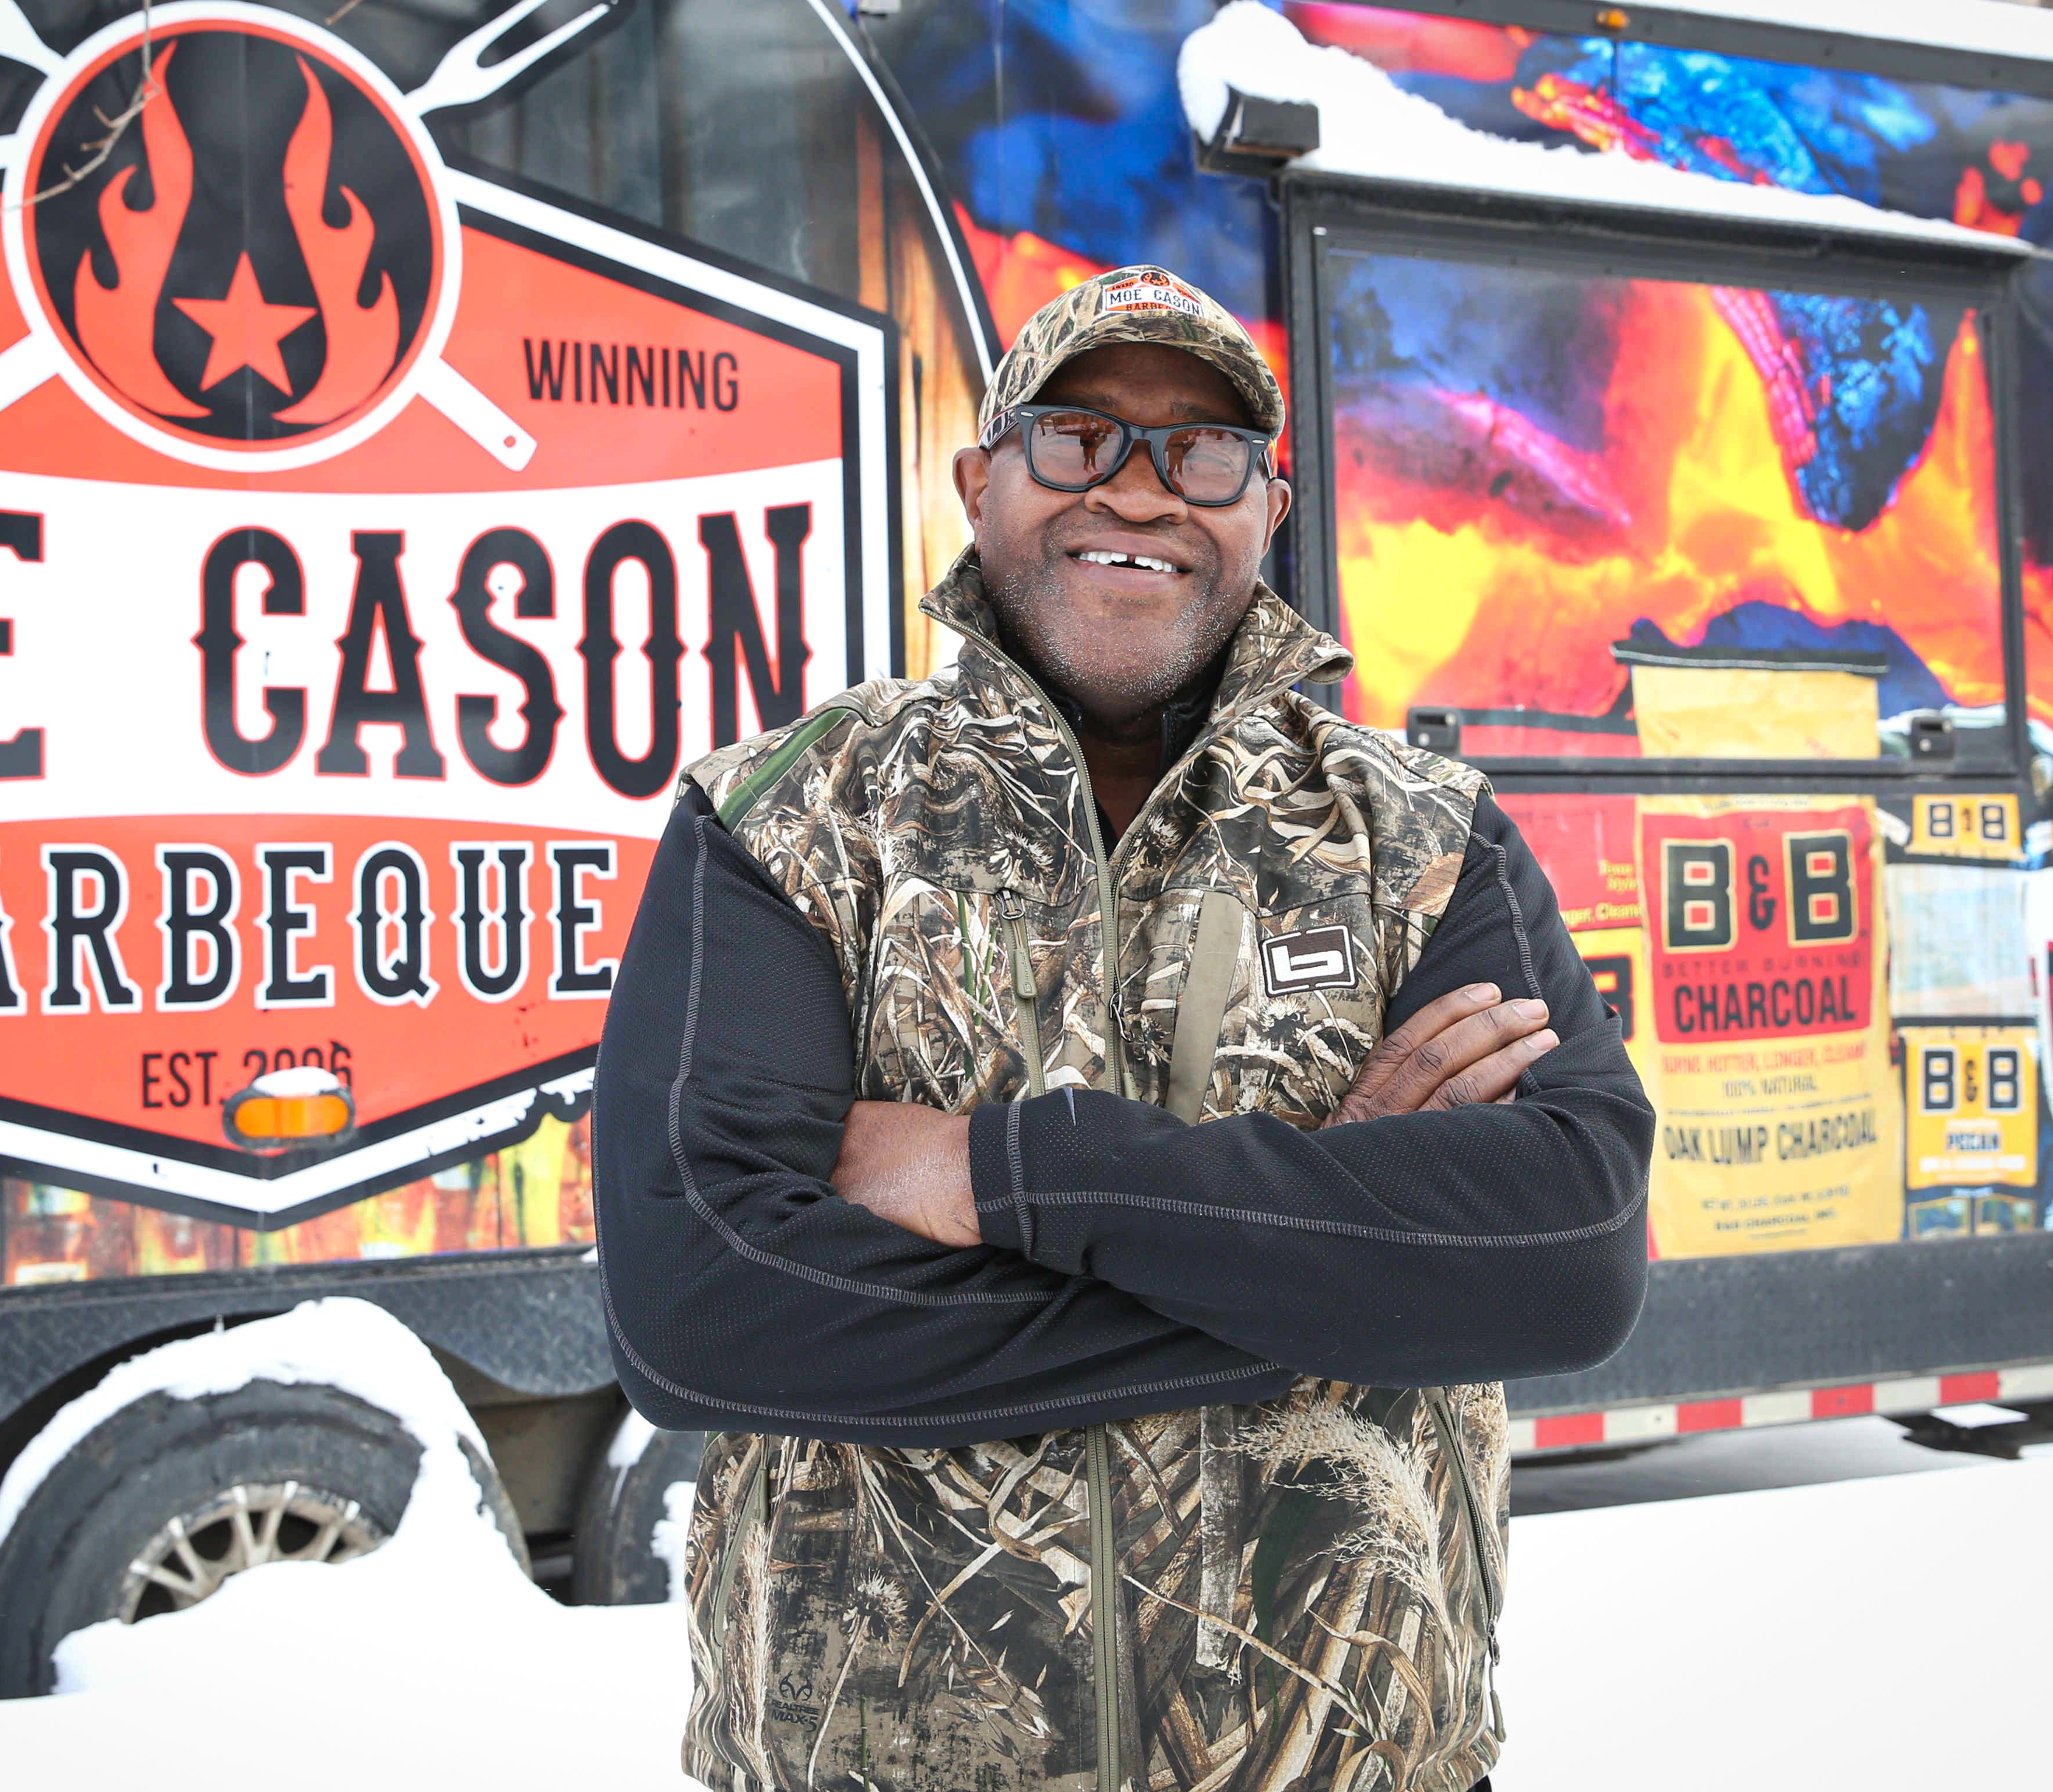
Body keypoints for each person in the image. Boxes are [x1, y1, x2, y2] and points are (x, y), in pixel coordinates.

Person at [592, 264, 1653, 1792]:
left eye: (1201, 449)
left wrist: (1020, 1179)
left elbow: (1566, 1252)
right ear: (979, 479)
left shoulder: (1416, 834)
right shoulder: (796, 820)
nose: (1142, 492)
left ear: (1267, 501)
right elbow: (701, 1306)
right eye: (1080, 436)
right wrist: (1329, 1258)